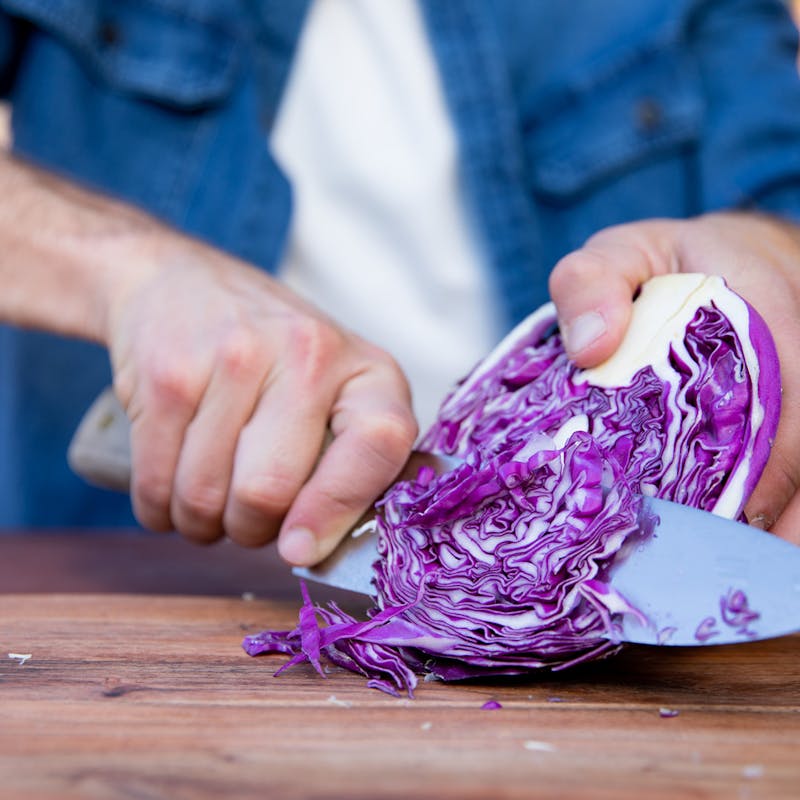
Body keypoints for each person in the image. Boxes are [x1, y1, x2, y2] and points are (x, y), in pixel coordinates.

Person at [1, 0, 799, 566]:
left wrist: (769, 250)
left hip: (595, 587)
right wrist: (133, 268)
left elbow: (778, 193)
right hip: (126, 576)